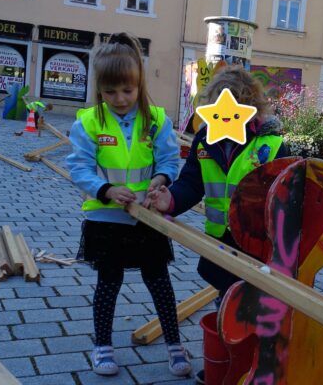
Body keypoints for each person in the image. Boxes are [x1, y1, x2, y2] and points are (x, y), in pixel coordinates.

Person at [146, 65, 288, 384]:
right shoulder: (204, 140)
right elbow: (191, 183)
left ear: (250, 109)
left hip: (259, 247)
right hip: (219, 245)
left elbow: (287, 202)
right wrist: (170, 200)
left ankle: (258, 369)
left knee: (261, 311)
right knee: (227, 305)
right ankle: (226, 364)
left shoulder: (272, 146)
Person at [66, 32, 191, 377]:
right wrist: (105, 189)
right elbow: (78, 167)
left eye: (128, 90)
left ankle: (174, 343)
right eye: (110, 91)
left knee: (159, 281)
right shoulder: (88, 122)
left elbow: (168, 159)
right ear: (99, 89)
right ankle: (102, 345)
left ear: (140, 84)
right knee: (108, 283)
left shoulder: (157, 120)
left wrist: (161, 180)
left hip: (146, 218)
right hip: (106, 218)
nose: (120, 98)